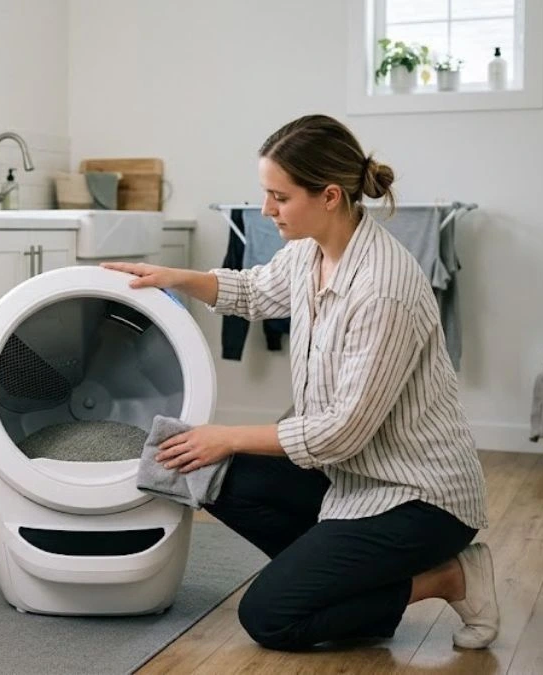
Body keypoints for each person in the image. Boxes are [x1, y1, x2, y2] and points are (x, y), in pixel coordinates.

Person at [102, 114, 497, 651]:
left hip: (417, 499)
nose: (267, 210)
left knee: (270, 616)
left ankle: (449, 576)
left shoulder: (382, 289)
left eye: (279, 197)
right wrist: (172, 277)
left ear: (330, 195)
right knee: (203, 468)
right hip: (349, 479)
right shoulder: (312, 251)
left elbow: (338, 434)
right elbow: (254, 291)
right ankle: (343, 585)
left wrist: (229, 434)